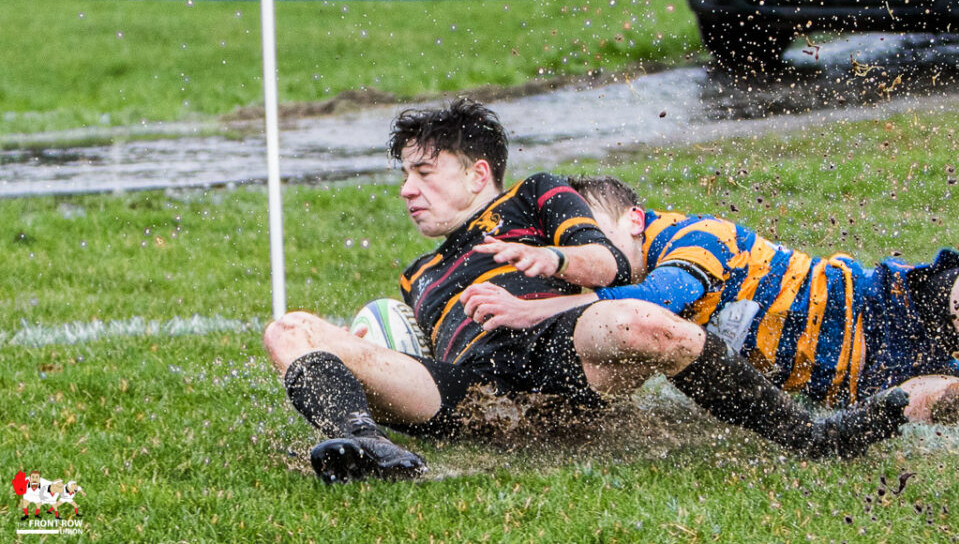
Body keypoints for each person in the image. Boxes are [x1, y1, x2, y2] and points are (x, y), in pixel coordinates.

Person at [262, 99, 909, 484]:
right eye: (405, 174)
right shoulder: (418, 274)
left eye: (424, 172)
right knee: (290, 330)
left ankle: (812, 438)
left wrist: (546, 259)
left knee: (642, 321)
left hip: (555, 344)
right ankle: (359, 441)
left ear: (477, 172)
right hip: (466, 387)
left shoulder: (534, 194)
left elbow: (606, 264)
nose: (408, 189)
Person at [459, 175, 959, 431]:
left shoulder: (691, 237)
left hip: (892, 307)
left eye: (595, 237)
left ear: (632, 222)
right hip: (865, 384)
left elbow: (667, 296)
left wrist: (552, 308)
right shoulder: (626, 312)